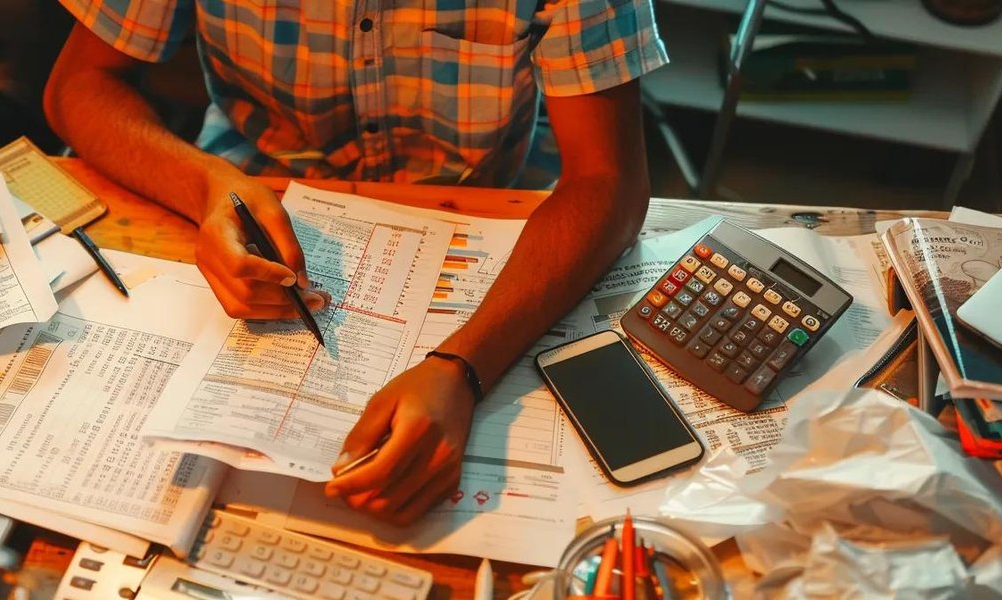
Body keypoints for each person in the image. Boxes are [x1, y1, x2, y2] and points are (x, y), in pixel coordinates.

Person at [44, 0, 666, 525]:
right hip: (244, 186)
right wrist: (208, 188)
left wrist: (463, 367)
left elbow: (609, 181)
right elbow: (79, 85)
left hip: (494, 211)